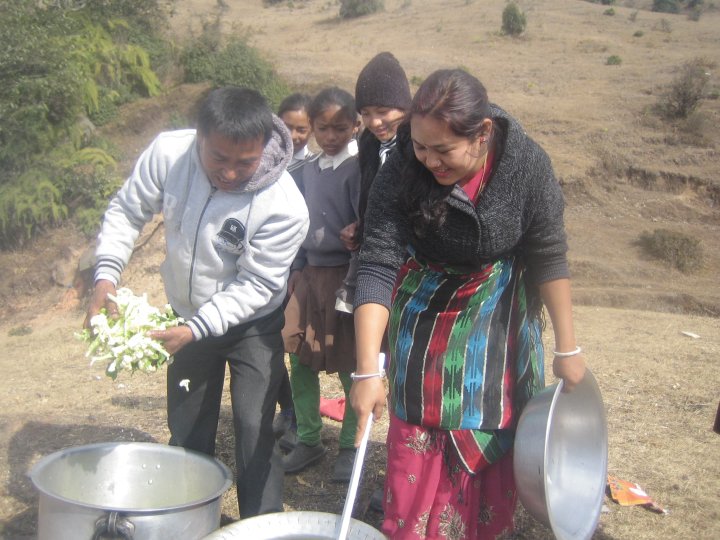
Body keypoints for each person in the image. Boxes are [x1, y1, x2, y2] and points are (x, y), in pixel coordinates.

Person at [349, 69, 587, 538]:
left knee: (492, 439)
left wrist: (568, 347)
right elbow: (377, 263)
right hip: (423, 321)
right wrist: (366, 371)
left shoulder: (525, 166)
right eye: (421, 146)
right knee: (417, 447)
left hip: (495, 327)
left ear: (482, 134)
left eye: (443, 150)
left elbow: (548, 254)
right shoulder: (401, 165)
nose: (429, 161)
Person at [84, 86, 309, 518]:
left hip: (252, 325)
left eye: (245, 162)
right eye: (218, 158)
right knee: (188, 425)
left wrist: (197, 328)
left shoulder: (284, 205)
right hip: (186, 317)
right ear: (199, 137)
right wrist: (106, 276)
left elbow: (258, 284)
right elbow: (127, 211)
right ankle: (187, 518)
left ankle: (262, 525)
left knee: (255, 426)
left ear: (264, 145)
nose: (230, 173)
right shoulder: (169, 154)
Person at [281, 87, 362, 483]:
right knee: (299, 359)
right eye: (323, 128)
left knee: (350, 363)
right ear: (311, 126)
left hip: (346, 276)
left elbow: (369, 224)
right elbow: (298, 224)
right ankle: (309, 437)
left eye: (340, 128)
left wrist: (358, 234)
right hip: (310, 275)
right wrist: (297, 265)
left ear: (356, 126)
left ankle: (351, 445)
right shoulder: (307, 171)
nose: (331, 137)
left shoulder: (361, 169)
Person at [335, 51, 412, 314]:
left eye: (382, 111)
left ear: (405, 107)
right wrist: (361, 227)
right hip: (374, 262)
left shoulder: (420, 146)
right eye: (366, 113)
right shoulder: (369, 144)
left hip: (410, 264)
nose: (374, 122)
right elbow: (373, 202)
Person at [273, 92, 316, 440]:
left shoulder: (312, 167)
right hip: (265, 265)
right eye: (288, 127)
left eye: (302, 129)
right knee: (268, 345)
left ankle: (301, 418)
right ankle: (286, 406)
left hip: (297, 268)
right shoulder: (265, 164)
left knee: (292, 343)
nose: (294, 135)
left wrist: (300, 267)